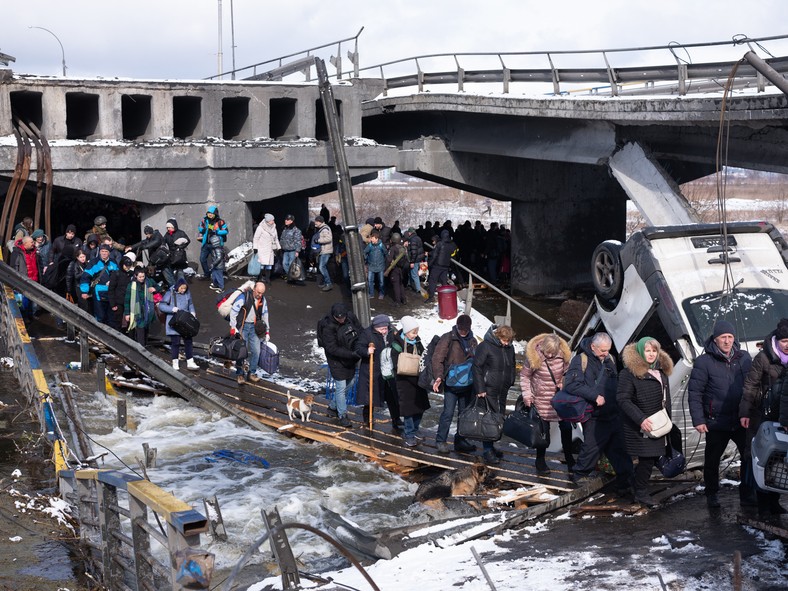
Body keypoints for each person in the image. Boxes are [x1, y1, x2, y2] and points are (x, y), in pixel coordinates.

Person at [688, 320, 753, 509]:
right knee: (712, 460)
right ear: (715, 340)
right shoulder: (704, 362)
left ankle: (747, 493)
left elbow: (751, 386)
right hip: (716, 420)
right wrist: (698, 419)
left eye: (730, 337)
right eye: (723, 337)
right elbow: (695, 393)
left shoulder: (744, 358)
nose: (727, 341)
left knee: (748, 457)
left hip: (741, 418)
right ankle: (712, 494)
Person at [564, 332, 634, 494]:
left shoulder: (610, 358)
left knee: (619, 448)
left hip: (614, 412)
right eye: (602, 350)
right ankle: (579, 475)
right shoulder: (581, 360)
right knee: (592, 447)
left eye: (608, 350)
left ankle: (626, 481)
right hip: (594, 414)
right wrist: (594, 396)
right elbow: (572, 385)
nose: (605, 353)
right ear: (592, 347)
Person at [618, 337, 675, 507]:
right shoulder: (629, 373)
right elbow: (622, 399)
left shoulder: (661, 371)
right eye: (647, 351)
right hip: (641, 424)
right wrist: (640, 419)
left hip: (659, 422)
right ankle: (640, 492)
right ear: (640, 352)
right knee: (647, 458)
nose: (651, 354)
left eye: (654, 351)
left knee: (652, 457)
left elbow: (666, 399)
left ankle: (632, 485)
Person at [740, 318, 788, 516]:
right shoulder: (763, 358)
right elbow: (750, 385)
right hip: (762, 415)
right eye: (785, 341)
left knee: (778, 459)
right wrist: (744, 411)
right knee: (760, 457)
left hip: (782, 416)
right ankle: (761, 503)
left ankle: (774, 501)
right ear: (777, 340)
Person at [520, 333, 574, 474]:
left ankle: (569, 459)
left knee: (566, 428)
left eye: (553, 352)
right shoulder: (534, 356)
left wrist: (564, 382)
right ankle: (540, 460)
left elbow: (568, 373)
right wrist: (527, 395)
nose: (549, 355)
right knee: (543, 432)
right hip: (540, 398)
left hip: (559, 399)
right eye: (547, 352)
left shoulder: (564, 356)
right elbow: (525, 376)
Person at [433, 314, 478, 454]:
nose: (462, 332)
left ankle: (460, 441)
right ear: (457, 326)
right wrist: (439, 377)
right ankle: (441, 440)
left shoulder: (473, 340)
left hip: (467, 383)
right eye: (460, 329)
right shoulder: (448, 338)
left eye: (465, 329)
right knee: (448, 413)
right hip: (451, 383)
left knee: (464, 414)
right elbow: (437, 358)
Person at [472, 325, 516, 465]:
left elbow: (512, 365)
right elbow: (476, 367)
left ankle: (490, 446)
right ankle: (487, 451)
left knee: (498, 418)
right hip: (487, 389)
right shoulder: (485, 346)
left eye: (509, 341)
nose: (506, 343)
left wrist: (511, 380)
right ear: (498, 337)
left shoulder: (509, 348)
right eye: (504, 340)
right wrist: (480, 388)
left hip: (502, 388)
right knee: (488, 420)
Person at [319, 302, 361, 427]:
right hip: (336, 360)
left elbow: (359, 329)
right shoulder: (328, 327)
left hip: (350, 357)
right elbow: (332, 348)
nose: (342, 320)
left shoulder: (350, 318)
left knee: (351, 382)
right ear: (334, 316)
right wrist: (351, 354)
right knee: (341, 387)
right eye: (339, 318)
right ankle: (342, 414)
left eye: (343, 317)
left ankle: (333, 406)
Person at [355, 314, 400, 427]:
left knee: (392, 396)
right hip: (373, 370)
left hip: (388, 370)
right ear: (375, 327)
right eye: (381, 329)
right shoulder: (367, 334)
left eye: (385, 328)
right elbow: (358, 348)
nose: (384, 331)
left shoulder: (391, 331)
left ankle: (396, 419)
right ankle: (367, 419)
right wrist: (367, 351)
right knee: (370, 396)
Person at [391, 316, 430, 446]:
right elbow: (396, 364)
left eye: (416, 332)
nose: (415, 335)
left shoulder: (417, 342)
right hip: (404, 381)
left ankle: (415, 428)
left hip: (418, 379)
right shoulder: (397, 344)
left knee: (421, 406)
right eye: (413, 332)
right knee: (408, 409)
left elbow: (423, 356)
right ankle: (408, 434)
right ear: (406, 331)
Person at [229, 281, 269, 384]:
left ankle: (252, 373)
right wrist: (233, 327)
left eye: (262, 293)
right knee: (241, 352)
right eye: (258, 292)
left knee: (256, 351)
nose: (260, 295)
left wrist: (267, 332)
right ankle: (240, 374)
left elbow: (265, 315)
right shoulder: (244, 297)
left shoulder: (263, 300)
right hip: (243, 327)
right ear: (254, 289)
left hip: (255, 328)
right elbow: (233, 312)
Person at [158, 277, 200, 371]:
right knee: (175, 342)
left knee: (188, 341)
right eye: (181, 288)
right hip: (175, 321)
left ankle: (190, 361)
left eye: (185, 288)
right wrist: (172, 309)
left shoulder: (187, 293)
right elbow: (162, 305)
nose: (183, 290)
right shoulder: (170, 293)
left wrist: (192, 312)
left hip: (185, 321)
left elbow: (190, 304)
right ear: (177, 287)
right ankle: (175, 361)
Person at [79, 243, 119, 325]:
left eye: (106, 251)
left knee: (111, 318)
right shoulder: (94, 262)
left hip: (111, 294)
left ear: (109, 253)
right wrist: (84, 291)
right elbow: (85, 276)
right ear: (100, 252)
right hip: (98, 293)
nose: (104, 253)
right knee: (100, 317)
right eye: (102, 251)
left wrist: (113, 282)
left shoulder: (113, 262)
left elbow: (119, 276)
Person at [8, 236, 41, 320]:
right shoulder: (16, 253)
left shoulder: (34, 252)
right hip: (21, 282)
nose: (33, 244)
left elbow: (38, 265)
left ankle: (30, 315)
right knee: (20, 302)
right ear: (25, 243)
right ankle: (22, 317)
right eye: (31, 242)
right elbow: (14, 268)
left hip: (33, 281)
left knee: (32, 301)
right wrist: (16, 282)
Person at [124, 267, 158, 346]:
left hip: (147, 310)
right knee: (140, 328)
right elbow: (127, 300)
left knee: (146, 328)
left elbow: (158, 287)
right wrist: (127, 313)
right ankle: (141, 348)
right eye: (140, 277)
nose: (142, 278)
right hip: (137, 311)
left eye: (143, 276)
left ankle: (144, 346)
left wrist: (154, 288)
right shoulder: (131, 285)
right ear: (136, 276)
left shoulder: (149, 282)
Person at [197, 206, 229, 286]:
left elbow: (226, 231)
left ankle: (216, 279)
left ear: (215, 213)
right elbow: (200, 227)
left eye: (211, 213)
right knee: (202, 259)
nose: (210, 215)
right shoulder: (205, 220)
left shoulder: (220, 221)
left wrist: (216, 232)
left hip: (215, 245)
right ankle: (207, 274)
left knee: (216, 261)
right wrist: (204, 230)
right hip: (206, 243)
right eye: (208, 213)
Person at [48, 224, 82, 296]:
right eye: (69, 233)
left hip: (73, 263)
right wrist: (51, 261)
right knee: (60, 281)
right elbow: (52, 251)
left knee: (71, 280)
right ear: (66, 232)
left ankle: (71, 295)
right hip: (61, 262)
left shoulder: (78, 241)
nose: (71, 235)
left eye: (72, 234)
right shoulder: (58, 240)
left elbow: (81, 252)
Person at [426, 229, 457, 303]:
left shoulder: (440, 243)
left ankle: (431, 297)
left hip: (437, 265)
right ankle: (446, 296)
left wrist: (429, 263)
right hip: (446, 265)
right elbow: (454, 252)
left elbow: (434, 255)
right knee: (444, 281)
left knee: (432, 280)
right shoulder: (451, 244)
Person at [107, 252, 136, 331]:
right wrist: (113, 304)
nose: (127, 267)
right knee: (117, 321)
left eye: (129, 266)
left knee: (130, 321)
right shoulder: (116, 274)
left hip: (128, 301)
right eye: (126, 266)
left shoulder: (131, 274)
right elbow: (111, 289)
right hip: (118, 302)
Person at [161, 218, 190, 288]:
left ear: (174, 226)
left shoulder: (181, 233)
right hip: (171, 255)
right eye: (167, 227)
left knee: (180, 271)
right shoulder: (167, 234)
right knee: (168, 270)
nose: (168, 229)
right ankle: (174, 286)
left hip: (179, 255)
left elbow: (188, 241)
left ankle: (182, 287)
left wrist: (180, 246)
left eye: (169, 227)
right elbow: (163, 241)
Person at [253, 213, 280, 284]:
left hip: (270, 249)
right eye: (272, 220)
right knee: (262, 265)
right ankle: (259, 278)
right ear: (268, 221)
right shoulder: (260, 227)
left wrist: (278, 248)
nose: (273, 221)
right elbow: (256, 238)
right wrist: (255, 248)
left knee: (269, 265)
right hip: (262, 249)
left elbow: (276, 238)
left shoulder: (274, 227)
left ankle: (268, 279)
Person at [385, 233, 409, 306]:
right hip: (402, 269)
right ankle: (403, 299)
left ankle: (397, 301)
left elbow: (389, 260)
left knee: (396, 285)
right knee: (400, 284)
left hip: (394, 269)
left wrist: (386, 268)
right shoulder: (402, 248)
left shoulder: (393, 248)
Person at [313, 215, 334, 292]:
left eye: (316, 221)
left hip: (326, 251)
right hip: (324, 250)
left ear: (320, 221)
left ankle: (328, 283)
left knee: (322, 267)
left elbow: (328, 239)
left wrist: (318, 240)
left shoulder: (324, 229)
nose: (315, 222)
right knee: (323, 267)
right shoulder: (322, 228)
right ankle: (326, 282)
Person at [364, 230, 386, 300]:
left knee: (381, 281)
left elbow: (385, 253)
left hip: (380, 266)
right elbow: (364, 252)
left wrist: (384, 262)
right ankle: (371, 294)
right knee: (370, 280)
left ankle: (381, 293)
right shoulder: (370, 245)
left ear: (377, 239)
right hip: (371, 266)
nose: (371, 240)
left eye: (372, 238)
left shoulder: (381, 245)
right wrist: (366, 259)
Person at [279, 214, 303, 279]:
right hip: (285, 250)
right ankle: (291, 276)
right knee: (284, 264)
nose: (286, 221)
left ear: (291, 221)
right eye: (285, 219)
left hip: (293, 250)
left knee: (291, 265)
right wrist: (280, 247)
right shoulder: (284, 229)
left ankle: (292, 277)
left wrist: (297, 251)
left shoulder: (296, 230)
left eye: (288, 220)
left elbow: (298, 241)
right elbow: (282, 239)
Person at [404, 227, 425, 294]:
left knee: (414, 274)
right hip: (419, 258)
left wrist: (412, 261)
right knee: (411, 272)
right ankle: (410, 284)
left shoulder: (412, 240)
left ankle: (418, 289)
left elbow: (414, 252)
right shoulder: (418, 238)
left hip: (415, 259)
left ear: (410, 232)